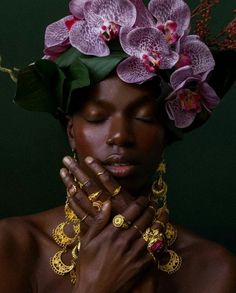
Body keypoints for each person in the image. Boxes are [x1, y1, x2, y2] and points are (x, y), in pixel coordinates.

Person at [0, 0, 236, 292]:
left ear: (166, 130)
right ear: (71, 130)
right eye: (97, 117)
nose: (120, 136)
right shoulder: (12, 246)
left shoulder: (212, 268)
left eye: (144, 116)